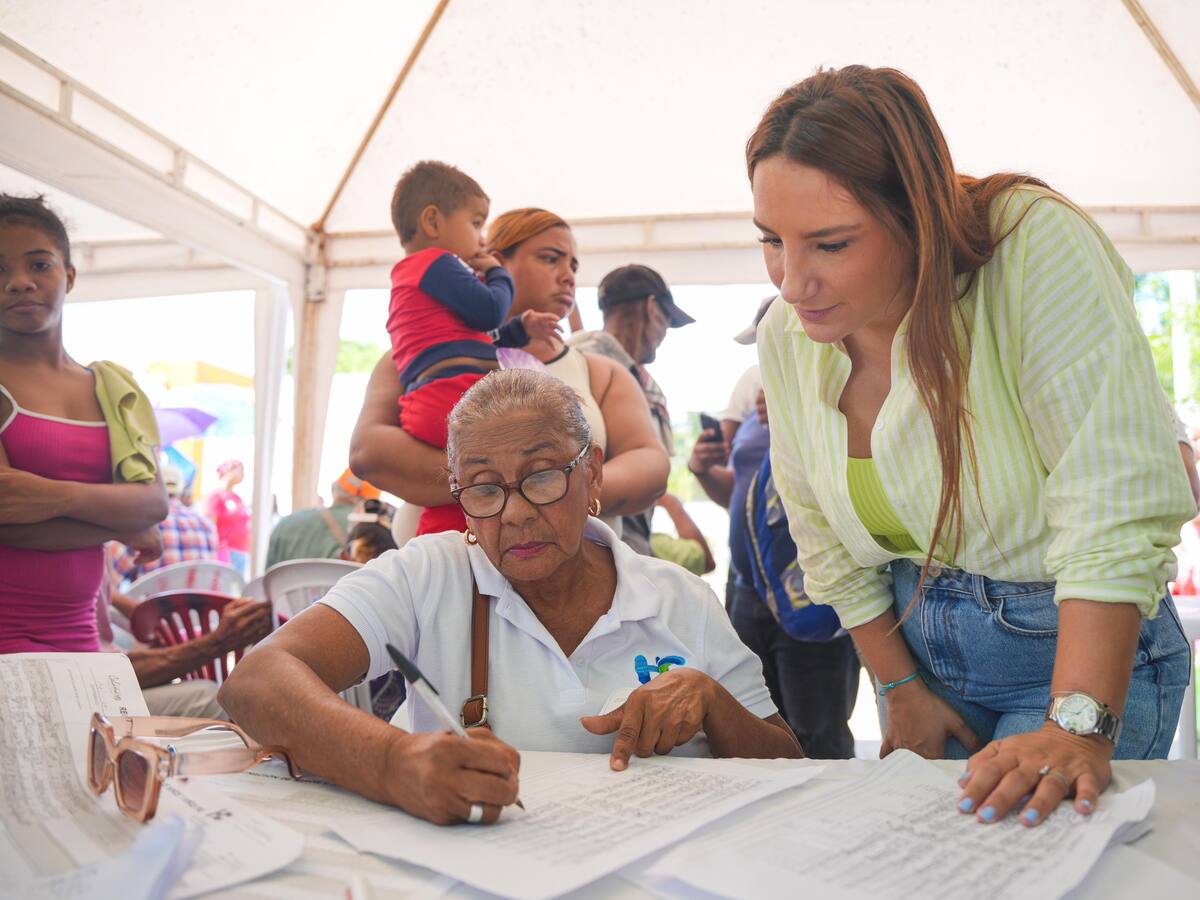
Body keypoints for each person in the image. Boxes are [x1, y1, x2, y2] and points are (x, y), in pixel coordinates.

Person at [749, 66, 1193, 825]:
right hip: (919, 657)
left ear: (916, 215)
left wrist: (1074, 726)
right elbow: (819, 535)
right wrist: (898, 689)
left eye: (828, 244)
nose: (792, 284)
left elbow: (1113, 496)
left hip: (1071, 655)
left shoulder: (1031, 242)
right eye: (770, 241)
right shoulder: (787, 338)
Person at [221, 369, 799, 826]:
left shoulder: (678, 598)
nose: (516, 512)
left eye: (543, 475)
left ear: (592, 475)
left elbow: (790, 765)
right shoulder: (431, 575)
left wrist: (713, 701)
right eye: (484, 486)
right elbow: (255, 682)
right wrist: (393, 763)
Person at [350, 207, 669, 540]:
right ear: (495, 263)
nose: (568, 276)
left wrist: (542, 490)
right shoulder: (417, 355)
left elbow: (650, 465)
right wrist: (523, 486)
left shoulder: (600, 372)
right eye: (550, 259)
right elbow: (367, 452)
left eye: (573, 265)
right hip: (442, 576)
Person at [689, 300, 859, 759]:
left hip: (813, 586)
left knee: (818, 730)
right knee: (754, 723)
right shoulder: (755, 390)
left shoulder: (844, 378)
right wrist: (705, 472)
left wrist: (798, 411)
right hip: (748, 589)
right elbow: (744, 500)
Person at [0, 194, 168, 654]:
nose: (19, 282)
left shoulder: (113, 389)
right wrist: (115, 520)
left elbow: (152, 504)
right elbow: (5, 515)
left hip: (81, 635)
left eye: (39, 265)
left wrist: (51, 496)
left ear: (69, 275)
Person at [386, 161, 559, 535]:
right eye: (476, 223)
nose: (482, 239)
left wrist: (518, 329)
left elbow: (478, 338)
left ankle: (442, 544)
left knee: (464, 489)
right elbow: (487, 311)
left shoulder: (422, 281)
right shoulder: (435, 263)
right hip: (450, 395)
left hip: (434, 397)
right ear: (433, 222)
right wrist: (498, 273)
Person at [567, 264, 693, 554]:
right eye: (666, 321)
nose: (664, 334)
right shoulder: (590, 370)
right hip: (600, 544)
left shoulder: (587, 364)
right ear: (651, 308)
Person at [109, 464, 220, 583]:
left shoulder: (140, 524)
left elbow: (111, 579)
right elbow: (210, 576)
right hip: (198, 600)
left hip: (150, 600)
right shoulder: (207, 525)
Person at [266, 468, 382, 568]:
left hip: (285, 592)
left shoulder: (285, 523)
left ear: (334, 490)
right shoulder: (375, 529)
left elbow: (266, 579)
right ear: (371, 502)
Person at [203, 460, 250, 577]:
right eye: (240, 470)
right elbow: (209, 524)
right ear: (229, 471)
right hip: (224, 552)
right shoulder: (215, 496)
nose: (243, 474)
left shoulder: (237, 498)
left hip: (241, 551)